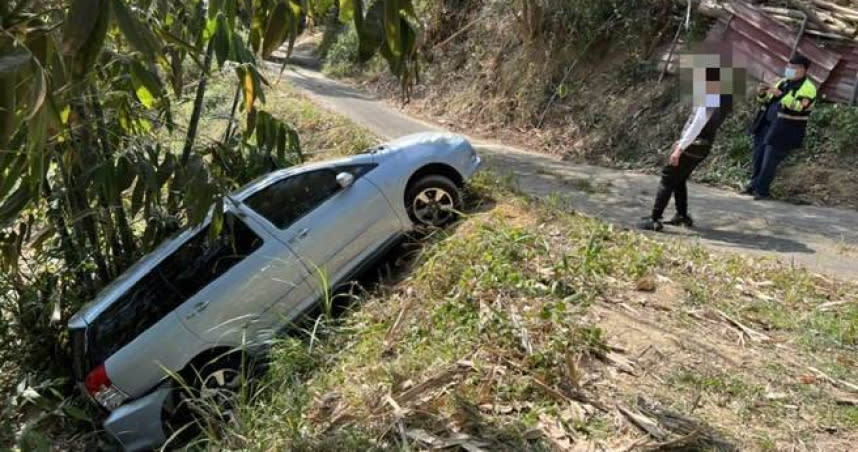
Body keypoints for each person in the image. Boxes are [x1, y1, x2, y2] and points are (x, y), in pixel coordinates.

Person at [638, 65, 731, 231]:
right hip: (703, 147)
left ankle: (654, 218)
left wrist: (679, 149)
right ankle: (682, 215)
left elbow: (697, 124)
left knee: (668, 177)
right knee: (679, 179)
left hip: (693, 145)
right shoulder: (723, 98)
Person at [744, 55, 817, 200]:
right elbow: (766, 100)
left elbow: (799, 107)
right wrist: (762, 93)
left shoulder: (808, 88)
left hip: (785, 130)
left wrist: (781, 95)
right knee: (758, 157)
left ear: (803, 70)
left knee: (769, 161)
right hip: (766, 125)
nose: (788, 70)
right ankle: (753, 185)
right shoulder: (782, 82)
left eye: (792, 68)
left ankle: (762, 191)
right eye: (788, 67)